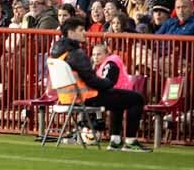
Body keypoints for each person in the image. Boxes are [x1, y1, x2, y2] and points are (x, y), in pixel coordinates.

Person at [49, 18, 150, 151]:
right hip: (87, 97)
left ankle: (116, 140)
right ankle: (130, 141)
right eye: (81, 30)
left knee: (118, 98)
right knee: (136, 98)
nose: (85, 33)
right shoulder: (76, 53)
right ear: (70, 32)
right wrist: (108, 84)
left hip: (67, 99)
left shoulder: (56, 52)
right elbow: (91, 80)